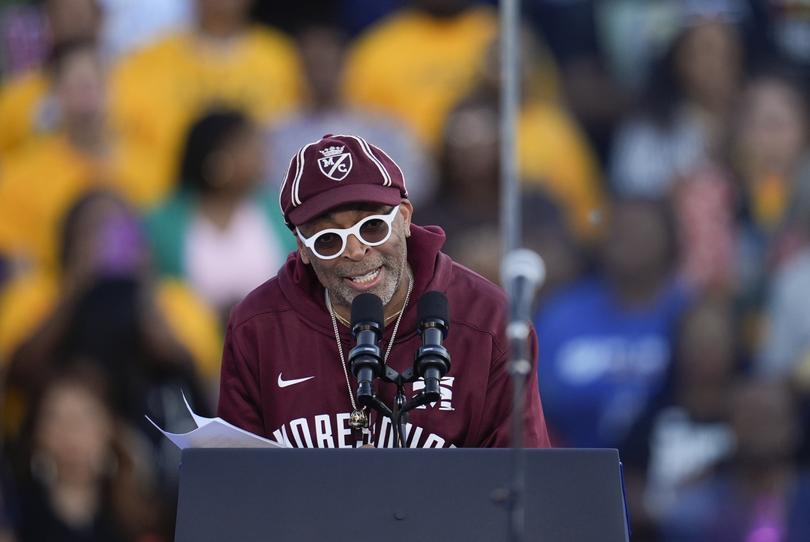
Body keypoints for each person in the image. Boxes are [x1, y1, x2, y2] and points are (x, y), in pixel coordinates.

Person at [217, 134, 550, 448]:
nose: (356, 250)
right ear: (303, 249)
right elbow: (238, 486)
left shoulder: (489, 319)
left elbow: (522, 482)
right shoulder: (257, 327)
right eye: (328, 240)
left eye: (372, 226)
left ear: (404, 218)